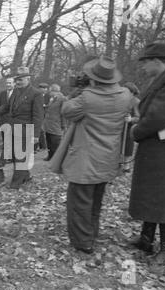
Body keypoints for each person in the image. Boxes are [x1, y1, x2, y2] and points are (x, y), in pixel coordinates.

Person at [60, 55, 133, 254]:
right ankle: (91, 235)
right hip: (107, 159)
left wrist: (77, 90)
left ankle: (83, 242)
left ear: (94, 78)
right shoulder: (125, 94)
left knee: (80, 203)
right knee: (96, 200)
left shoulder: (86, 97)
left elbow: (66, 110)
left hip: (85, 160)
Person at [128, 42, 165, 264]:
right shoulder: (164, 79)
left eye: (144, 62)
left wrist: (136, 130)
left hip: (164, 148)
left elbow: (160, 118)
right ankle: (146, 239)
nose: (142, 67)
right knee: (152, 193)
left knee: (163, 196)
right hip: (156, 145)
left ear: (156, 61)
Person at [0, 67, 44, 189]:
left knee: (20, 156)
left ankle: (16, 184)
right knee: (14, 155)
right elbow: (7, 106)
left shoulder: (36, 94)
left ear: (28, 79)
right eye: (17, 79)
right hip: (13, 128)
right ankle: (25, 177)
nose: (18, 82)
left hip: (25, 130)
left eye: (21, 79)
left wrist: (35, 135)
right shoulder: (15, 92)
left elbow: (38, 116)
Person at [0, 77, 15, 183]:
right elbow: (0, 106)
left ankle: (1, 164)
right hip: (3, 121)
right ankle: (8, 158)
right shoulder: (3, 93)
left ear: (14, 84)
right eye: (7, 83)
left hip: (13, 122)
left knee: (8, 142)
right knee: (6, 140)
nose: (8, 84)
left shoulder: (17, 93)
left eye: (10, 83)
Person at [42, 83, 66, 161]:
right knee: (49, 142)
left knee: (55, 143)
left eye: (50, 91)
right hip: (48, 125)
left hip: (56, 125)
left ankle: (57, 159)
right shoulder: (52, 98)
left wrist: (63, 125)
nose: (49, 93)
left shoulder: (62, 99)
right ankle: (50, 155)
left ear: (55, 91)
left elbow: (63, 113)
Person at [122, 82, 141, 172]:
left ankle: (126, 166)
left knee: (128, 146)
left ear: (132, 92)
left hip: (129, 128)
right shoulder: (121, 100)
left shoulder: (136, 102)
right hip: (119, 127)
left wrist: (131, 119)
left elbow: (139, 117)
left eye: (126, 91)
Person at [36, 82, 50, 152]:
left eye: (45, 88)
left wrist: (45, 106)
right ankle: (38, 146)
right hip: (37, 115)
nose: (44, 90)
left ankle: (44, 146)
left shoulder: (49, 96)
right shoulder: (36, 95)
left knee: (42, 130)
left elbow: (51, 105)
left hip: (45, 116)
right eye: (43, 88)